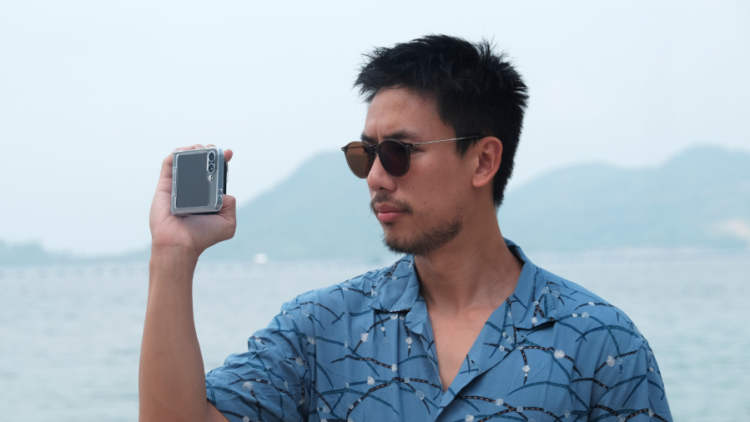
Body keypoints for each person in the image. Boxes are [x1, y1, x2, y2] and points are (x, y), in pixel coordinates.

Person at [140, 35, 672, 422]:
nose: (375, 176)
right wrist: (172, 256)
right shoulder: (322, 328)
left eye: (398, 151)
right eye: (365, 154)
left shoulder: (599, 342)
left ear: (483, 161)